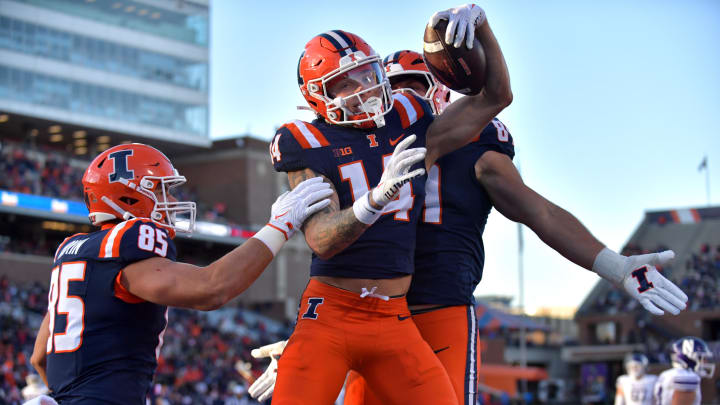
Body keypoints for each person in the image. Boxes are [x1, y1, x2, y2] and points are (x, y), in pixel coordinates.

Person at [253, 4, 688, 404]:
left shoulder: (468, 142)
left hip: (435, 312)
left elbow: (539, 211)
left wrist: (612, 264)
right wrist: (308, 338)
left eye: (414, 87)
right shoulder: (337, 145)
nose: (397, 98)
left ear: (440, 89)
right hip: (370, 314)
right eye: (396, 86)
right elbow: (330, 243)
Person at [265, 3, 513, 404]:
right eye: (346, 82)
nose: (363, 86)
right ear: (318, 96)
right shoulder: (306, 142)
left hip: (393, 318)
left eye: (367, 72)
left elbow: (496, 96)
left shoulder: (410, 118)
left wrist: (482, 28)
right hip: (330, 315)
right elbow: (322, 238)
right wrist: (376, 198)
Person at [27, 143, 332, 405]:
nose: (171, 202)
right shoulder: (127, 242)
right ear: (130, 197)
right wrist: (280, 226)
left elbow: (40, 357)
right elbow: (211, 288)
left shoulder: (73, 250)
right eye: (162, 191)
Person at [654, 336, 716, 405]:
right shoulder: (687, 377)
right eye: (700, 358)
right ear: (688, 357)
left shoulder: (667, 374)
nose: (705, 362)